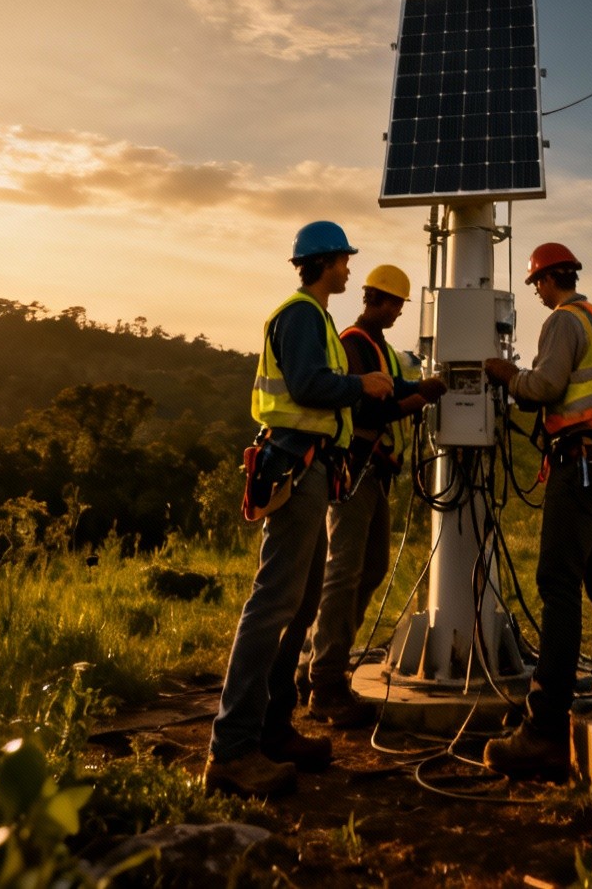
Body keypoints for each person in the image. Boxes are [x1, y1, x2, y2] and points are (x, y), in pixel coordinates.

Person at [202, 220, 394, 799]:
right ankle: (232, 749)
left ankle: (273, 727)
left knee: (302, 599)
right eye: (343, 262)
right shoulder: (304, 314)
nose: (349, 270)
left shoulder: (317, 318)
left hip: (311, 468)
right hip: (297, 466)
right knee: (274, 603)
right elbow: (311, 386)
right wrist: (366, 387)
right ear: (325, 261)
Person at [482, 242, 592, 781]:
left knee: (558, 582)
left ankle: (544, 728)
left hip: (583, 463)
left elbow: (545, 386)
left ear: (548, 280)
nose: (538, 294)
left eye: (537, 285)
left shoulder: (564, 322)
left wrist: (506, 374)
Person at [300, 264, 446, 725]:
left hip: (374, 471)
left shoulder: (376, 346)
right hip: (355, 466)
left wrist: (420, 390)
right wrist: (417, 399)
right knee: (344, 570)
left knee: (372, 566)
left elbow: (389, 391)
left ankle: (322, 658)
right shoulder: (352, 343)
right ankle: (324, 679)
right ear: (379, 301)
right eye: (397, 304)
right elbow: (365, 405)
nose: (401, 312)